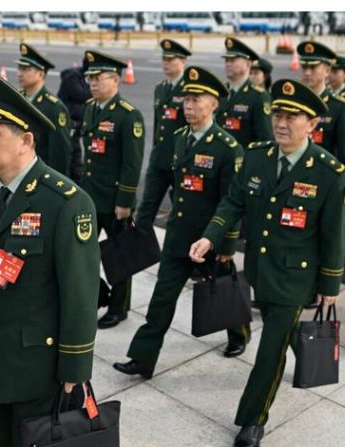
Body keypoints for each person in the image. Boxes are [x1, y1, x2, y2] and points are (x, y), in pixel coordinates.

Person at [189, 78, 345, 447]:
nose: (281, 122)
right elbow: (233, 203)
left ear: (312, 125)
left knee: (270, 347)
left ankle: (252, 419)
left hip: (297, 277)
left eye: (292, 117)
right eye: (278, 113)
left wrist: (330, 285)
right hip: (261, 269)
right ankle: (305, 355)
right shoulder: (257, 156)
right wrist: (209, 236)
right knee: (286, 329)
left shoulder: (330, 173)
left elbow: (334, 234)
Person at [0, 73, 100, 446]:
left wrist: (75, 367)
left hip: (37, 369)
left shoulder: (66, 203)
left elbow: (80, 294)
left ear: (25, 141)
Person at [114, 65, 247, 379]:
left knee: (223, 291)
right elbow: (157, 182)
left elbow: (233, 201)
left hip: (211, 240)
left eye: (196, 99)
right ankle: (143, 359)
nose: (188, 105)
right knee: (161, 299)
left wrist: (227, 243)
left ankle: (239, 335)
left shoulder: (228, 148)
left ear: (214, 103)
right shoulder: (176, 140)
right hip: (178, 238)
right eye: (186, 99)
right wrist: (141, 223)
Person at [79, 50, 145, 329]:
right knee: (82, 254)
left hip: (115, 200)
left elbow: (132, 163)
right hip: (91, 197)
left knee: (119, 258)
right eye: (90, 78)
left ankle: (119, 308)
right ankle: (95, 297)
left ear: (115, 80)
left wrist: (125, 201)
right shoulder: (91, 108)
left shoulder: (129, 116)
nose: (93, 83)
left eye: (98, 78)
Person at [134, 39, 191, 225]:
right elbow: (160, 126)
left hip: (180, 161)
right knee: (145, 211)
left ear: (183, 61)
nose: (166, 63)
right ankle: (140, 253)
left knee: (182, 214)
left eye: (171, 59)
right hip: (159, 161)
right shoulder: (160, 88)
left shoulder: (189, 90)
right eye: (164, 59)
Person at [14, 44, 73, 177]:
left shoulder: (54, 108)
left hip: (39, 176)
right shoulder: (18, 99)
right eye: (19, 68)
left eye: (26, 69)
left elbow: (59, 154)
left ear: (40, 74)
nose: (19, 73)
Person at [297, 41, 345, 166]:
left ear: (327, 71)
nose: (307, 73)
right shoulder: (294, 102)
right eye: (304, 67)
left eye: (313, 67)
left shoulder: (340, 107)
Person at [216, 37, 273, 149]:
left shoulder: (258, 96)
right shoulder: (220, 92)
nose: (228, 64)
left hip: (244, 160)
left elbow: (265, 139)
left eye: (233, 60)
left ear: (248, 64)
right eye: (226, 60)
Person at [57, 57, 92, 184]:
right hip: (67, 123)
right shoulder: (73, 77)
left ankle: (76, 184)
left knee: (76, 159)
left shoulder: (82, 77)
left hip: (75, 125)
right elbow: (80, 94)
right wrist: (95, 88)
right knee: (69, 158)